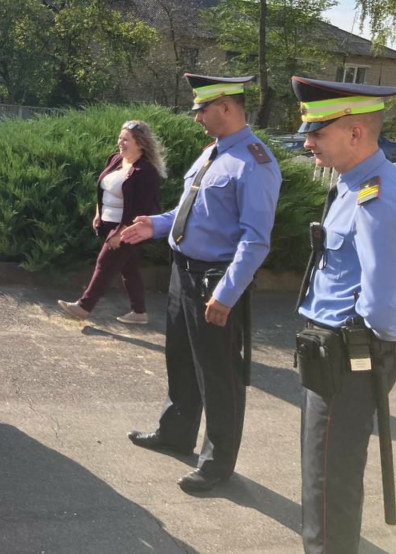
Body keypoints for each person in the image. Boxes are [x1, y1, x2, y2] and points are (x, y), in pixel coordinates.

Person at [119, 74, 281, 492]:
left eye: (202, 110)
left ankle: (217, 463)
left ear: (226, 107)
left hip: (215, 280)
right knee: (181, 358)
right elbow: (190, 211)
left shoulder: (254, 162)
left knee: (218, 374)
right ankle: (175, 432)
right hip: (183, 271)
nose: (197, 119)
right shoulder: (214, 152)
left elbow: (255, 240)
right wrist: (156, 225)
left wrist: (226, 294)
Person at [290, 76, 396, 554]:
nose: (308, 143)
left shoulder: (375, 195)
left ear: (355, 132)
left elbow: (382, 305)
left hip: (350, 357)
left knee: (329, 483)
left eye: (317, 132)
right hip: (335, 350)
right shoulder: (356, 185)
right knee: (323, 474)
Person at [59, 120, 165, 324]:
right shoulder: (115, 159)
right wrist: (98, 213)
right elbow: (103, 189)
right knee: (129, 269)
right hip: (106, 224)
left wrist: (119, 233)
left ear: (140, 143)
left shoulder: (146, 171)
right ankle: (139, 312)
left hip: (125, 228)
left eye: (126, 140)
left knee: (104, 263)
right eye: (120, 138)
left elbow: (141, 209)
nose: (120, 143)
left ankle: (83, 307)